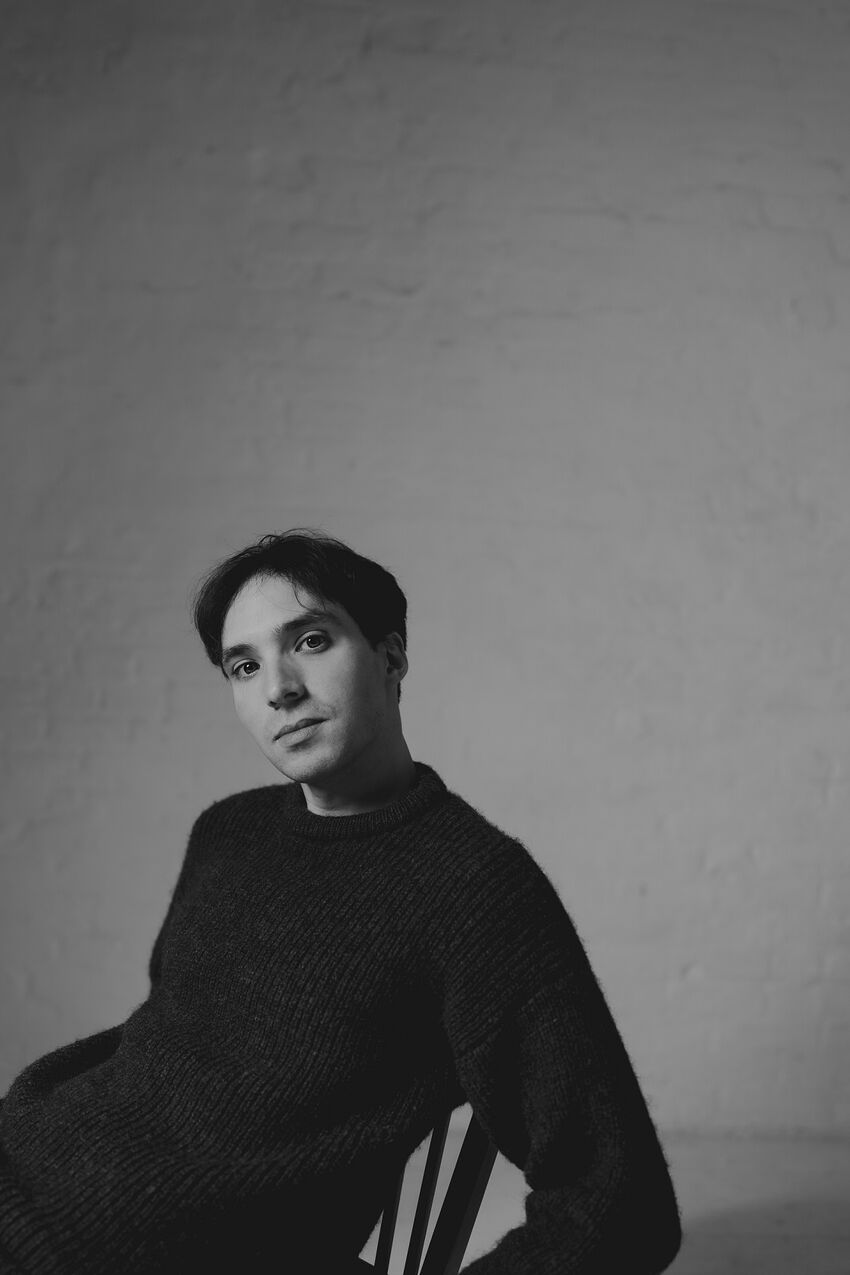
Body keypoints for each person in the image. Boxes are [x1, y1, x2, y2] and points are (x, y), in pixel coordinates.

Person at [0, 529, 682, 1273]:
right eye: (244, 665)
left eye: (313, 640)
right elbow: (171, 1043)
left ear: (391, 655)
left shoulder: (475, 890)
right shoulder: (228, 831)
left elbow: (623, 1203)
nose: (278, 688)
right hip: (30, 1164)